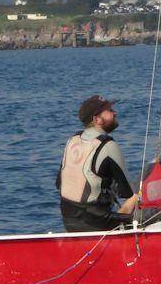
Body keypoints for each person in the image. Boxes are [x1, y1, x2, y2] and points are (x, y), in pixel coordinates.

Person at [56, 95, 138, 232]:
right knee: (145, 205)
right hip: (96, 223)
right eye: (109, 110)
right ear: (97, 120)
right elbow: (127, 192)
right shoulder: (108, 145)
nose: (115, 112)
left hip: (68, 220)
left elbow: (59, 183)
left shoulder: (72, 141)